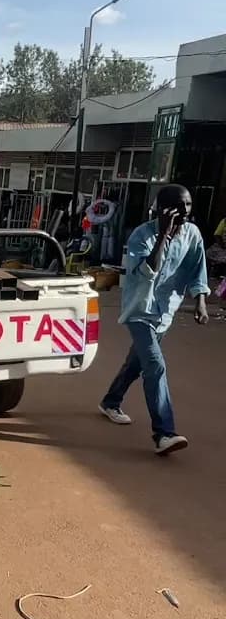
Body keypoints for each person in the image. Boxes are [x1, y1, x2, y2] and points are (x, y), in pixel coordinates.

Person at [99, 184, 209, 454]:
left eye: (188, 206)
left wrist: (201, 301)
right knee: (155, 365)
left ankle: (110, 401)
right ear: (162, 209)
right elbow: (146, 271)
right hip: (140, 311)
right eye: (178, 206)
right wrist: (163, 234)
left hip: (166, 312)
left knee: (136, 363)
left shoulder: (192, 234)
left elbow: (198, 268)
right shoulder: (141, 236)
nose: (184, 211)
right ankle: (164, 433)